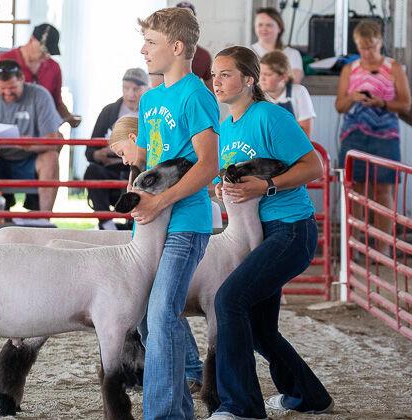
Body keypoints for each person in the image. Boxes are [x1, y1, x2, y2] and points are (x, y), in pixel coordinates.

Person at [208, 45, 332, 420]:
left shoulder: (270, 117)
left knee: (228, 301)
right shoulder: (226, 126)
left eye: (226, 74)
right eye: (214, 74)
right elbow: (235, 177)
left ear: (249, 80)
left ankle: (240, 407)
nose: (217, 81)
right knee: (260, 329)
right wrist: (222, 188)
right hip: (258, 233)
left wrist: (268, 186)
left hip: (291, 229)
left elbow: (315, 166)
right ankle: (309, 396)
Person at [132, 7, 220, 419]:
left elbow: (207, 163)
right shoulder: (151, 99)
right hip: (155, 220)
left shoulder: (196, 94)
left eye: (151, 42)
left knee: (161, 313)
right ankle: (180, 404)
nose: (144, 50)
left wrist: (160, 202)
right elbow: (156, 161)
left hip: (185, 220)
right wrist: (135, 159)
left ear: (178, 47)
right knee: (150, 318)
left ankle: (164, 414)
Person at [335, 20, 411, 255]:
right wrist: (353, 97)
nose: (367, 52)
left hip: (385, 135)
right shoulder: (350, 69)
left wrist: (382, 103)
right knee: (354, 189)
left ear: (380, 42)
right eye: (362, 47)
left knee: (383, 190)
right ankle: (353, 247)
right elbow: (340, 105)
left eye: (371, 46)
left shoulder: (394, 68)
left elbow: (406, 104)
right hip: (354, 133)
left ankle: (383, 247)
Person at [0, 59, 63, 214]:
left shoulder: (40, 95)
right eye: (2, 88)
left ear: (22, 80)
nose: (7, 92)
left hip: (29, 159)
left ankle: (44, 219)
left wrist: (29, 144)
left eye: (12, 87)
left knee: (51, 157)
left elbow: (54, 140)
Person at [83, 68, 148, 230]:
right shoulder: (109, 111)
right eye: (126, 88)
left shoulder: (151, 111)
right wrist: (99, 154)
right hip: (113, 167)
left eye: (136, 89)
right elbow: (89, 151)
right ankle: (106, 223)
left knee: (142, 175)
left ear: (145, 89)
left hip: (140, 166)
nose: (130, 94)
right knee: (92, 171)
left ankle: (136, 223)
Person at [0, 23, 81, 127]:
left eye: (50, 52)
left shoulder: (54, 68)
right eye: (44, 50)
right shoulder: (2, 63)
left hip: (41, 132)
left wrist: (69, 117)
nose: (46, 55)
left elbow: (56, 103)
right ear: (32, 39)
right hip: (5, 128)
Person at [259, 50, 316, 139]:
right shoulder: (256, 97)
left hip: (295, 148)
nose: (262, 79)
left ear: (284, 77)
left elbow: (305, 134)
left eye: (268, 74)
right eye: (260, 73)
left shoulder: (298, 92)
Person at [250, 7, 304, 83]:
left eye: (269, 25)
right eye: (260, 25)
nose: (264, 28)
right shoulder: (247, 52)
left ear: (279, 28)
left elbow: (295, 80)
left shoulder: (292, 54)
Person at [175, 1, 213, 89]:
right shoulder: (163, 50)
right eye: (180, 18)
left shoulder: (204, 56)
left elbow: (212, 91)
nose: (184, 22)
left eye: (189, 18)